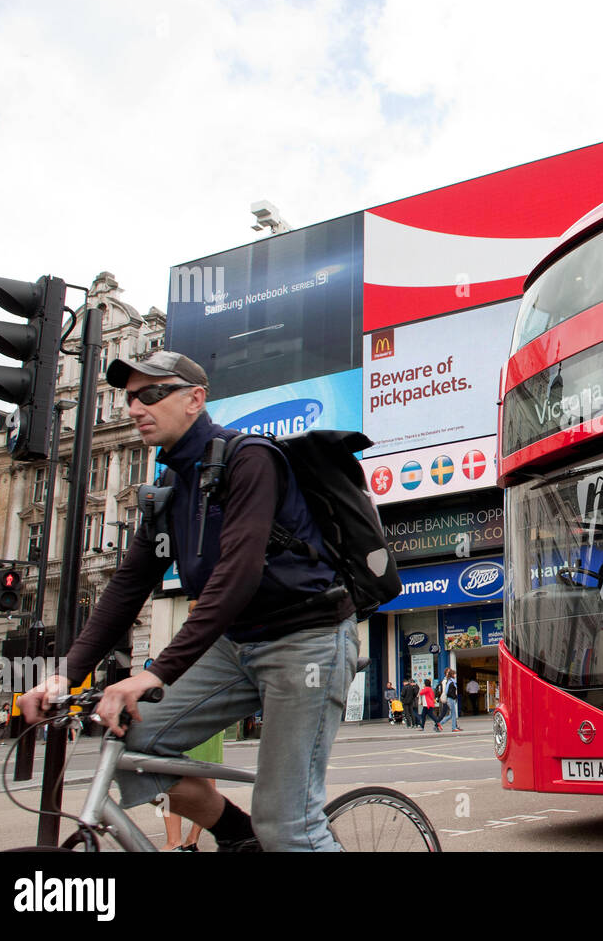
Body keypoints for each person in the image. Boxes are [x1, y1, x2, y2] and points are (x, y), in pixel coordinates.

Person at [19, 351, 358, 852]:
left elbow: (237, 575)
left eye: (152, 394)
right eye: (131, 396)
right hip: (233, 643)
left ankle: (276, 836)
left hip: (306, 640)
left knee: (288, 825)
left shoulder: (250, 459)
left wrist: (155, 673)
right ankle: (238, 837)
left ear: (195, 399)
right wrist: (65, 674)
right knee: (135, 737)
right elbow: (127, 588)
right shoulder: (169, 490)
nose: (136, 407)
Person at [162, 731, 224, 851]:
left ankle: (173, 843)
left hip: (183, 724)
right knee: (208, 787)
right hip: (212, 726)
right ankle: (192, 840)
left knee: (167, 781)